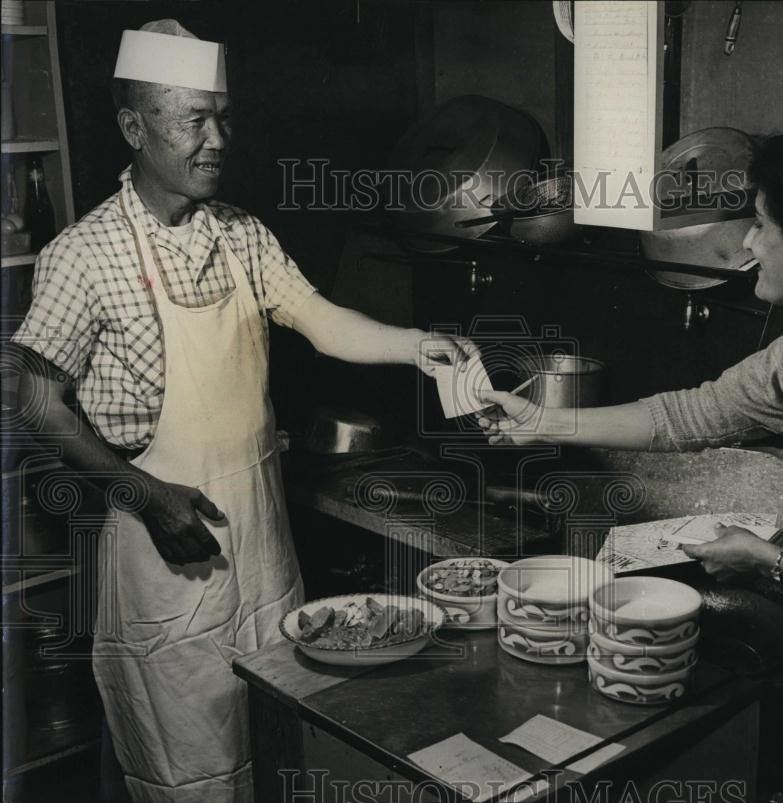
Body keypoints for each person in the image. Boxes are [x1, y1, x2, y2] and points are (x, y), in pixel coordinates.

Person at [11, 20, 475, 803]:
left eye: (222, 116)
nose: (218, 139)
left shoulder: (240, 235)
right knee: (187, 766)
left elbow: (319, 317)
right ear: (135, 128)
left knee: (281, 744)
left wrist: (415, 343)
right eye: (194, 119)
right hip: (166, 555)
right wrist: (141, 494)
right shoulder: (84, 255)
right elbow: (31, 397)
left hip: (262, 551)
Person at [480, 122, 783, 796]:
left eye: (761, 223)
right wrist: (542, 419)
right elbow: (694, 413)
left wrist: (763, 557)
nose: (748, 241)